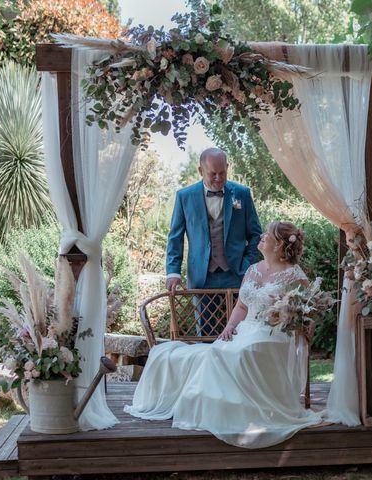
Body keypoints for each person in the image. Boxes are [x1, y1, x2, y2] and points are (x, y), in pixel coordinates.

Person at [125, 221, 324, 448]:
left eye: (267, 235)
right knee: (210, 351)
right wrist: (229, 327)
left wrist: (299, 326)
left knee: (240, 351)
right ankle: (220, 407)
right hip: (246, 329)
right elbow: (241, 306)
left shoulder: (294, 275)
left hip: (272, 335)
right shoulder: (253, 269)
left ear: (279, 245)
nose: (261, 236)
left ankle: (237, 410)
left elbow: (311, 308)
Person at [165, 147, 262, 335]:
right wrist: (173, 271)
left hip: (237, 274)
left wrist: (248, 264)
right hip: (202, 276)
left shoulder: (241, 193)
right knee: (205, 334)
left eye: (222, 173)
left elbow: (255, 234)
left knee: (241, 331)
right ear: (201, 171)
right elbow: (175, 237)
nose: (218, 178)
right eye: (213, 174)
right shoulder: (184, 196)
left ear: (227, 167)